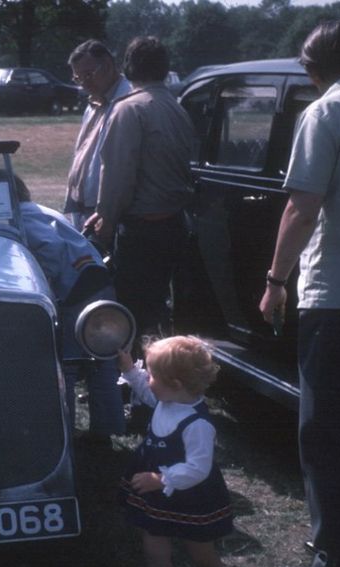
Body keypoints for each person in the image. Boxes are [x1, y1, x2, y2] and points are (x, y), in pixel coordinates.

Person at [258, 20, 340, 567]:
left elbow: (302, 207)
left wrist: (275, 279)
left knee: (326, 431)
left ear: (312, 66)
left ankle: (336, 563)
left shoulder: (328, 112)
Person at [87, 36, 194, 349]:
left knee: (131, 311)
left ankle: (137, 384)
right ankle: (159, 374)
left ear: (128, 66)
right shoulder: (176, 108)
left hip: (141, 230)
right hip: (173, 224)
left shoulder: (129, 109)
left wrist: (105, 219)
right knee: (158, 309)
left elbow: (118, 174)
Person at [117, 336, 234, 567]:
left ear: (176, 385)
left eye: (152, 374)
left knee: (199, 549)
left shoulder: (198, 425)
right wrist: (130, 369)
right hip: (159, 491)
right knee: (154, 546)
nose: (148, 378)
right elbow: (146, 391)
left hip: (191, 496)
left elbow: (197, 468)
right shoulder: (166, 399)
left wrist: (161, 478)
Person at [2, 171, 124, 442]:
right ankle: (109, 428)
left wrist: (42, 288)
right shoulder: (42, 211)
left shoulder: (21, 218)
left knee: (68, 363)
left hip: (75, 294)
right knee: (102, 360)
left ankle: (63, 434)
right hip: (98, 282)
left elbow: (51, 250)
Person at [64, 39, 131, 232]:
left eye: (88, 74)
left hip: (107, 211)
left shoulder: (127, 101)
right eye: (78, 78)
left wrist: (107, 212)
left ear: (109, 66)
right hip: (83, 205)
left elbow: (122, 164)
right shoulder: (93, 102)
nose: (84, 83)